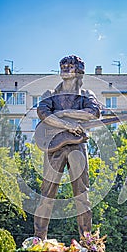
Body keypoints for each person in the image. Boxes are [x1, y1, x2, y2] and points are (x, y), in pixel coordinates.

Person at [33, 55, 101, 241]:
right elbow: (43, 114)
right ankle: (39, 239)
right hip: (54, 147)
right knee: (47, 194)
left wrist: (63, 113)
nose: (65, 68)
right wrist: (67, 124)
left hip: (77, 146)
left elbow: (93, 113)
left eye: (70, 65)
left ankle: (87, 240)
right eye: (62, 65)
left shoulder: (87, 95)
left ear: (79, 70)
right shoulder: (50, 94)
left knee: (82, 195)